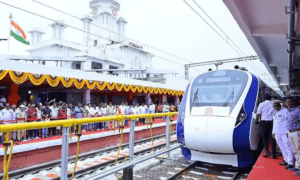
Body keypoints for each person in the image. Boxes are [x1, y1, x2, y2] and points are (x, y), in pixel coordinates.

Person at [272, 100, 294, 169]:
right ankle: (286, 160)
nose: (275, 107)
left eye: (276, 106)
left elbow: (289, 121)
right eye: (274, 106)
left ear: (279, 105)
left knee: (288, 147)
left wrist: (288, 132)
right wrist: (273, 132)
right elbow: (274, 123)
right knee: (282, 147)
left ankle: (290, 162)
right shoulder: (275, 113)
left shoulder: (285, 111)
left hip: (284, 132)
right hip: (277, 133)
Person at [285, 97, 300, 175]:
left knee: (299, 150)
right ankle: (297, 166)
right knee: (295, 150)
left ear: (294, 102)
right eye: (287, 101)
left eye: (291, 101)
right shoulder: (287, 111)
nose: (289, 103)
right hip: (290, 133)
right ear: (285, 103)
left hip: (297, 132)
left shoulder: (298, 110)